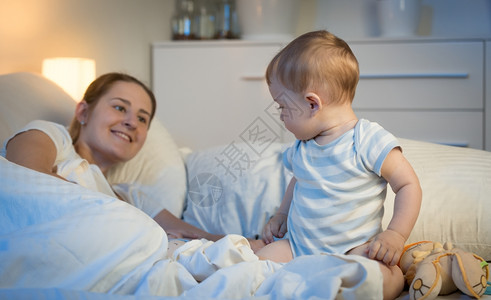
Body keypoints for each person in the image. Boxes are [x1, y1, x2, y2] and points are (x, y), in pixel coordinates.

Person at [255, 31, 422, 300]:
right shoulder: (302, 147)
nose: (281, 116)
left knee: (383, 276)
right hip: (299, 249)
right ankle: (307, 285)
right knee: (258, 265)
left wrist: (395, 234)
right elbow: (297, 181)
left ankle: (335, 286)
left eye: (282, 107)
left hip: (352, 251)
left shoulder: (366, 139)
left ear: (312, 104)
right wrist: (281, 215)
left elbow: (408, 184)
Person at [0, 72, 225, 244]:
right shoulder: (51, 136)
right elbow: (25, 178)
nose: (132, 122)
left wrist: (251, 244)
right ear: (83, 113)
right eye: (119, 107)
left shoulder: (130, 196)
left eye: (142, 119)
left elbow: (200, 237)